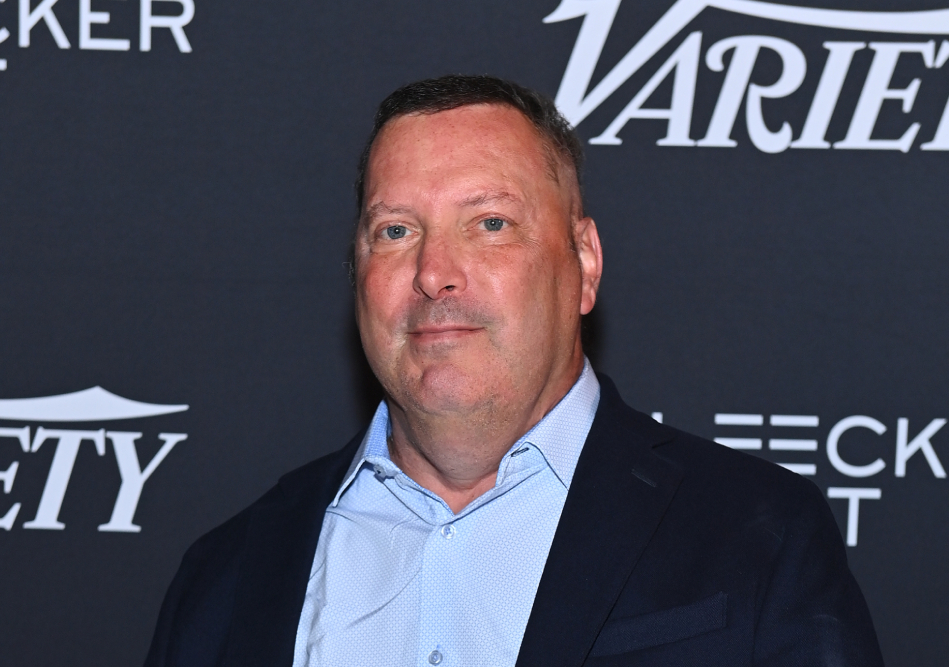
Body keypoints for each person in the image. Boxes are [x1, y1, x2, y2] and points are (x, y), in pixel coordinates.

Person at [144, 75, 883, 667]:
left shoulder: (755, 536)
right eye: (395, 231)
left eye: (490, 224)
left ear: (584, 264)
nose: (435, 273)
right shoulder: (230, 573)